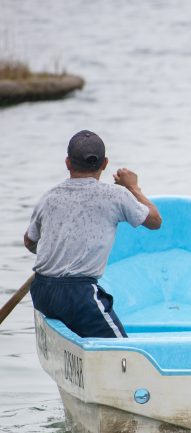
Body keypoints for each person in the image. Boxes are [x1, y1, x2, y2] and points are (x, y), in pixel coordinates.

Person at [24, 130, 162, 338]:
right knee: (122, 350)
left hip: (41, 290)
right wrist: (133, 187)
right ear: (104, 164)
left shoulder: (48, 197)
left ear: (68, 163)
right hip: (79, 294)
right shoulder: (115, 195)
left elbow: (29, 241)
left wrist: (56, 253)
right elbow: (155, 221)